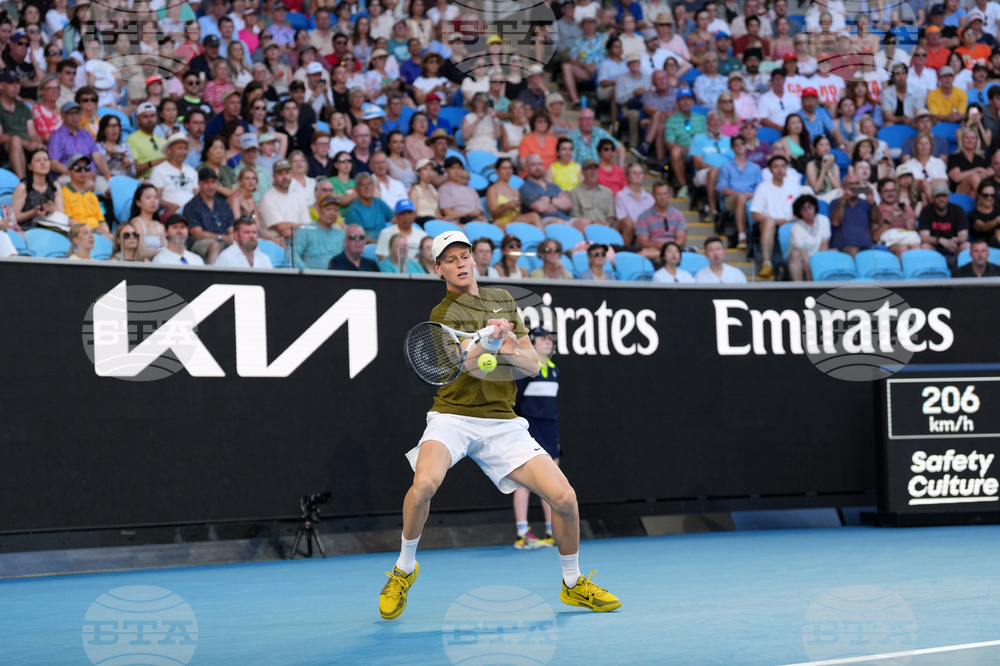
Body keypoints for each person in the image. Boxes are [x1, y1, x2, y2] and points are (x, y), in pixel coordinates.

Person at [378, 229, 620, 619]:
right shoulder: (443, 315)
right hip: (453, 417)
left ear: (474, 259)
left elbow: (532, 365)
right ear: (439, 269)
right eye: (450, 260)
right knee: (424, 485)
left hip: (502, 422)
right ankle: (404, 569)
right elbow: (469, 367)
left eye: (464, 256)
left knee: (565, 498)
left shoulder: (504, 299)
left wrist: (507, 346)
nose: (460, 264)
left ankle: (573, 583)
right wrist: (491, 342)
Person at [509, 326, 562, 549]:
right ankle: (523, 534)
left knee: (552, 483)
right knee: (524, 483)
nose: (548, 342)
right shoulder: (526, 369)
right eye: (542, 339)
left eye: (550, 339)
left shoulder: (554, 369)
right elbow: (515, 401)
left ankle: (552, 532)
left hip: (550, 429)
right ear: (532, 343)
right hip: (529, 429)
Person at [750, 154, 799, 279]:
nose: (780, 169)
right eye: (776, 167)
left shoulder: (793, 187)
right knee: (769, 223)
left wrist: (789, 220)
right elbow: (755, 215)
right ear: (770, 169)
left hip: (791, 222)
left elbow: (799, 210)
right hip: (769, 224)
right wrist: (775, 220)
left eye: (783, 166)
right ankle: (767, 263)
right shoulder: (763, 187)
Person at [717, 134, 763, 250]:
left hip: (751, 197)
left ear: (746, 146)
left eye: (742, 143)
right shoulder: (725, 166)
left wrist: (749, 195)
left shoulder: (755, 167)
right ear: (732, 148)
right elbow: (723, 189)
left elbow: (761, 189)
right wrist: (740, 195)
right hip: (731, 199)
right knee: (742, 198)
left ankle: (756, 236)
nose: (739, 146)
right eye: (736, 144)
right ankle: (742, 236)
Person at [690, 111, 734, 223]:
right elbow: (697, 162)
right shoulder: (698, 139)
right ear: (707, 123)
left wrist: (724, 171)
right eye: (713, 120)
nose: (716, 123)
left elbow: (734, 161)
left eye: (719, 120)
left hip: (726, 172)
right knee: (713, 172)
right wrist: (717, 170)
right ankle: (713, 210)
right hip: (704, 172)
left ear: (722, 123)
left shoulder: (729, 141)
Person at [184, 167, 235, 264]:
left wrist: (231, 238)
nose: (211, 186)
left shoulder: (224, 204)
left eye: (213, 182)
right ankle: (211, 272)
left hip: (224, 240)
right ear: (199, 184)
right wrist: (222, 237)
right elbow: (197, 233)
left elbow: (231, 229)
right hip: (200, 242)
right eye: (207, 182)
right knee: (215, 245)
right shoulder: (191, 205)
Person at [664, 89, 705, 198]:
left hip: (701, 151)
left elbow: (707, 137)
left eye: (688, 99)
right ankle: (683, 186)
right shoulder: (671, 120)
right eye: (682, 99)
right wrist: (685, 148)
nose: (686, 102)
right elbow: (670, 143)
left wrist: (697, 149)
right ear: (678, 102)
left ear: (693, 102)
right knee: (675, 151)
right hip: (684, 152)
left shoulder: (701, 118)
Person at [919, 181, 971, 263]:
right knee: (925, 246)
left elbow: (964, 235)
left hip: (954, 246)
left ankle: (963, 269)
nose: (941, 199)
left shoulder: (957, 210)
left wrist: (956, 240)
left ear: (948, 197)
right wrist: (940, 240)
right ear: (932, 197)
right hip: (935, 248)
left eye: (944, 196)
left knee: (966, 245)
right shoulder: (926, 211)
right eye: (938, 196)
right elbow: (924, 237)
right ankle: (933, 268)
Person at [258, 159, 311, 240]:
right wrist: (301, 228)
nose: (285, 177)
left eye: (287, 173)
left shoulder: (298, 196)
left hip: (299, 239)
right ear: (274, 177)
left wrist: (295, 231)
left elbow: (309, 225)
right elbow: (281, 227)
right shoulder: (268, 198)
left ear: (291, 175)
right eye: (280, 174)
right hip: (277, 242)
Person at [521, 154, 577, 226]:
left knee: (584, 223)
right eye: (533, 165)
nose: (538, 167)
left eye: (540, 164)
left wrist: (550, 200)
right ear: (526, 167)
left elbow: (568, 204)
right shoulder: (525, 187)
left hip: (565, 218)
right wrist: (559, 204)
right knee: (558, 223)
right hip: (544, 220)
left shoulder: (553, 186)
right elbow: (540, 208)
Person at [11, 149, 62, 229]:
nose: (43, 163)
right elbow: (13, 218)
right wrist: (33, 212)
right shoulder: (23, 187)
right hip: (26, 230)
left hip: (50, 229)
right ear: (29, 166)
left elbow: (61, 215)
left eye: (46, 160)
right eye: (38, 160)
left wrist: (53, 210)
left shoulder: (55, 186)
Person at [872, 177, 922, 256]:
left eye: (893, 190)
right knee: (902, 248)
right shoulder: (876, 210)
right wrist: (889, 218)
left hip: (908, 239)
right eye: (886, 191)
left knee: (916, 247)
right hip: (889, 244)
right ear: (879, 193)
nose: (890, 194)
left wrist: (906, 219)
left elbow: (914, 233)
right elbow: (875, 238)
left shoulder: (906, 208)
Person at [151, 134, 200, 215]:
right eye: (180, 148)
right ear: (169, 150)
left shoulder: (192, 171)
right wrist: (170, 205)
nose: (183, 152)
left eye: (185, 148)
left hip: (191, 212)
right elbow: (156, 197)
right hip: (169, 213)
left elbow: (197, 195)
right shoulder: (159, 170)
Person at [293, 195, 346, 269]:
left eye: (335, 210)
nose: (332, 213)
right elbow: (292, 254)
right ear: (318, 209)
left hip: (337, 274)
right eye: (328, 209)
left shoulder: (341, 234)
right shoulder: (305, 230)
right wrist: (306, 271)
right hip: (312, 274)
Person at [830, 173, 876, 257]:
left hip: (867, 246)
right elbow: (835, 222)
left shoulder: (865, 202)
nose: (854, 186)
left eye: (857, 183)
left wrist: (872, 203)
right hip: (844, 246)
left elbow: (878, 220)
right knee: (853, 251)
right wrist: (842, 201)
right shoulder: (835, 202)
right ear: (843, 187)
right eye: (850, 184)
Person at [786, 194, 831, 281]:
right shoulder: (796, 228)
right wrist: (810, 277)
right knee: (795, 254)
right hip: (803, 258)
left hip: (818, 255)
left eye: (810, 207)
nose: (808, 211)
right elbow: (803, 253)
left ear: (815, 207)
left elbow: (824, 246)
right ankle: (798, 286)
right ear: (799, 212)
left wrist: (818, 266)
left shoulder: (824, 220)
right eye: (804, 209)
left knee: (834, 251)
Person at [636, 181, 687, 257]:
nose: (662, 197)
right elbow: (643, 242)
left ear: (669, 195)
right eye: (659, 194)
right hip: (653, 251)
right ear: (653, 195)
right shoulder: (644, 216)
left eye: (665, 194)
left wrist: (668, 248)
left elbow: (681, 240)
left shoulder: (678, 215)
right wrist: (660, 246)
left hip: (674, 251)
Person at [570, 159, 616, 232]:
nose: (593, 172)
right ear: (583, 172)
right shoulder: (575, 192)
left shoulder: (607, 191)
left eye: (595, 168)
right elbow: (575, 217)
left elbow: (611, 215)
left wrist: (608, 223)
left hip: (605, 228)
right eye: (589, 169)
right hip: (585, 229)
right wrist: (592, 223)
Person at [902, 132, 950, 201]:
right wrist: (929, 181)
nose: (924, 146)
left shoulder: (939, 162)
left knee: (924, 195)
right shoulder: (909, 164)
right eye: (921, 144)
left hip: (937, 191)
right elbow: (910, 183)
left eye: (926, 143)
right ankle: (935, 203)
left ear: (931, 146)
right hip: (915, 194)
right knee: (923, 190)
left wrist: (925, 181)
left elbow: (944, 181)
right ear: (916, 147)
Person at [347, 172, 395, 239]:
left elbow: (395, 219)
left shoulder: (379, 203)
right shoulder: (353, 210)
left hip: (384, 239)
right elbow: (359, 238)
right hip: (367, 244)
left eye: (369, 184)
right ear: (357, 189)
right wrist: (382, 243)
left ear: (373, 186)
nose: (367, 187)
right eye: (363, 185)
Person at [948, 127, 993, 195]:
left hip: (978, 187)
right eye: (967, 138)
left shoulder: (984, 156)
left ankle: (983, 196)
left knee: (973, 193)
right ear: (962, 140)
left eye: (973, 138)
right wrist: (977, 170)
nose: (970, 140)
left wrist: (981, 174)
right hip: (961, 189)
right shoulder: (954, 157)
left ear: (977, 140)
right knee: (973, 177)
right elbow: (956, 177)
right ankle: (985, 196)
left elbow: (991, 173)